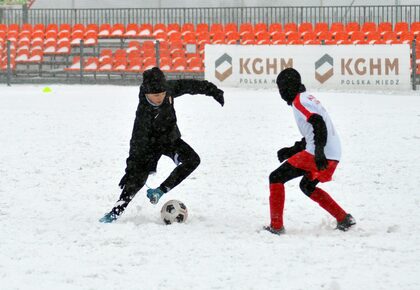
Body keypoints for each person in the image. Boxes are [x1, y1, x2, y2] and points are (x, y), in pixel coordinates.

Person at [100, 67, 224, 223]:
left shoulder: (169, 89)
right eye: (155, 96)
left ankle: (160, 191)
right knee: (137, 178)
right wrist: (131, 168)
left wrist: (213, 91)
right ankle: (115, 212)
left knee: (193, 160)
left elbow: (191, 85)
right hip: (149, 144)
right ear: (146, 94)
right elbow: (136, 144)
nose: (159, 99)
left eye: (162, 95)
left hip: (169, 139)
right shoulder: (143, 115)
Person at [264, 67, 355, 235]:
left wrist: (319, 153)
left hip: (321, 154)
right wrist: (292, 150)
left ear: (287, 87)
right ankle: (344, 218)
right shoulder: (306, 98)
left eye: (280, 88)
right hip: (333, 153)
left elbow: (318, 124)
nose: (280, 93)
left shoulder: (300, 101)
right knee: (307, 185)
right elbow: (312, 131)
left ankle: (276, 227)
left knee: (275, 177)